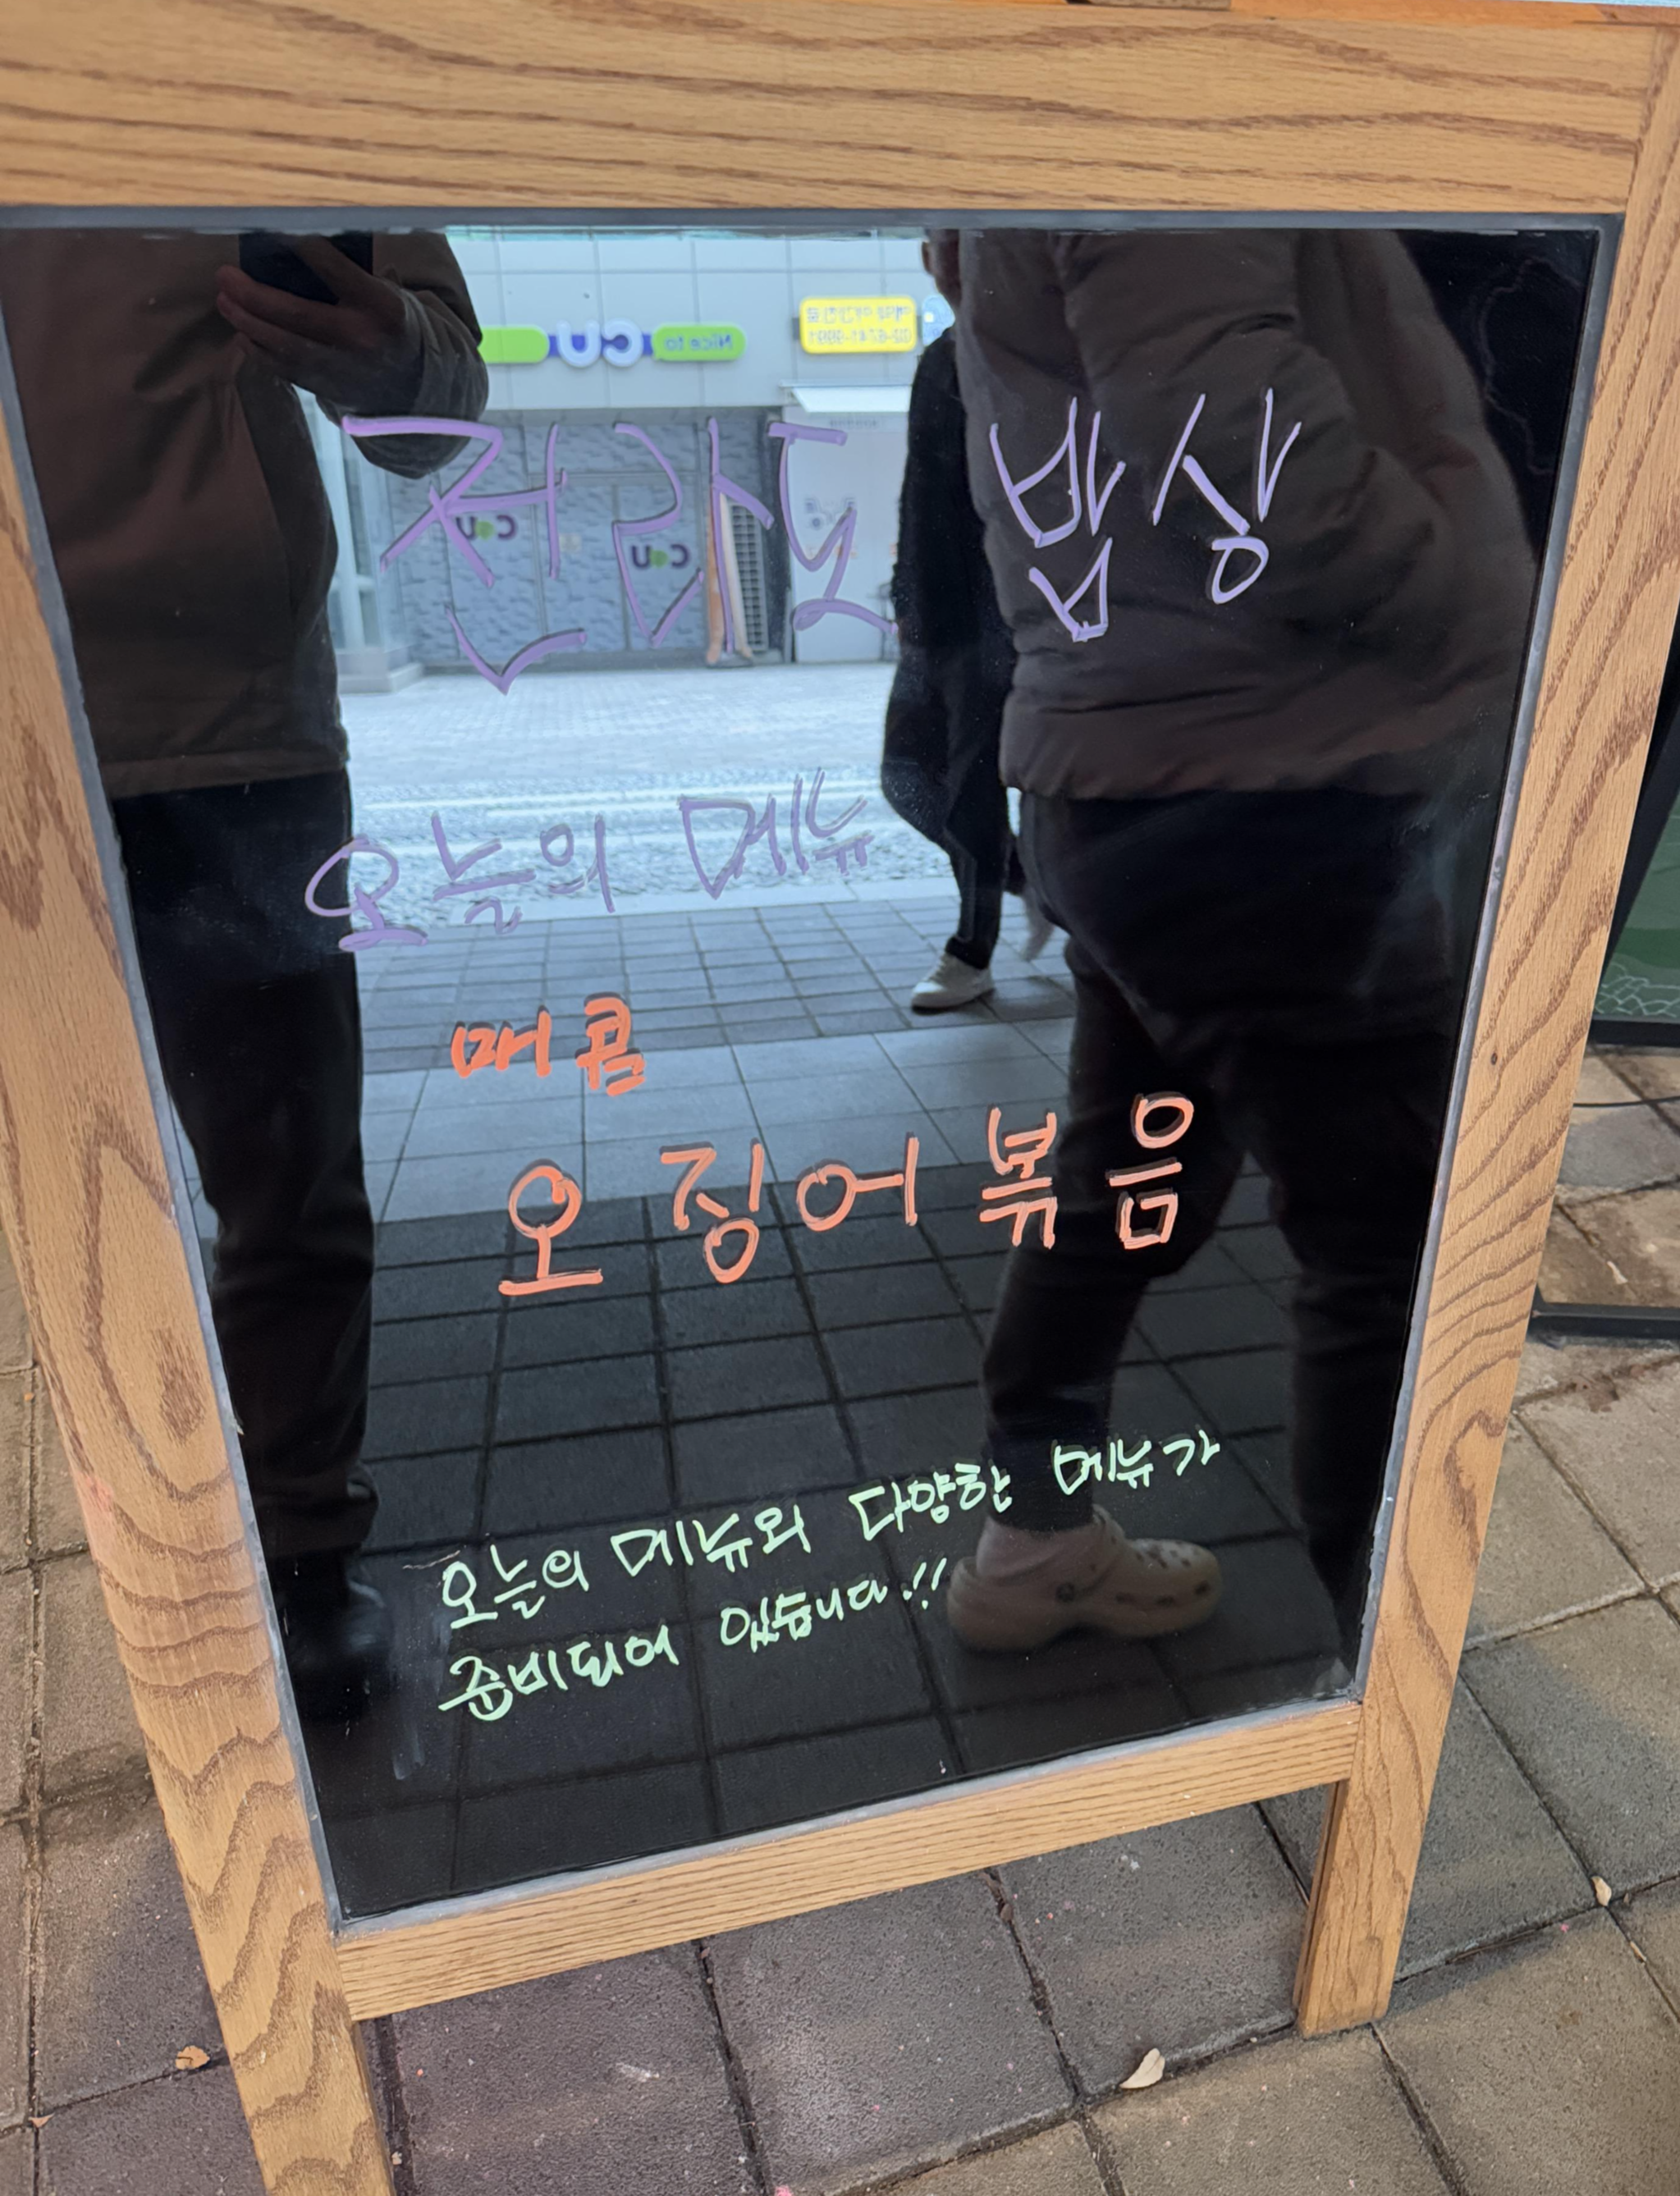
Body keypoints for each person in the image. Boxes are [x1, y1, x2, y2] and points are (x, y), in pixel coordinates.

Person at [941, 226, 1534, 1658]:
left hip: (1132, 771)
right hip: (1272, 781)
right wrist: (1480, 606)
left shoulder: (1040, 165)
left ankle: (1034, 1537)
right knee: (1383, 1256)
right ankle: (1390, 1676)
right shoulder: (1162, 126)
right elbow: (1232, 441)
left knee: (1125, 1177)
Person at [0, 230, 488, 1715]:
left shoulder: (256, 92)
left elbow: (436, 410)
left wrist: (388, 350)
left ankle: (295, 1549)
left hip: (228, 731)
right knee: (213, 1192)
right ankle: (232, 1551)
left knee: (284, 1183)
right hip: (169, 713)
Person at [882, 232, 1051, 1012]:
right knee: (914, 774)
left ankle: (972, 947)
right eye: (935, 243)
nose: (944, 258)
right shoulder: (943, 356)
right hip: (947, 615)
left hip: (1017, 614)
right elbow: (919, 499)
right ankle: (1040, 889)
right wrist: (910, 606)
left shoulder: (1034, 354)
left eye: (961, 242)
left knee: (978, 781)